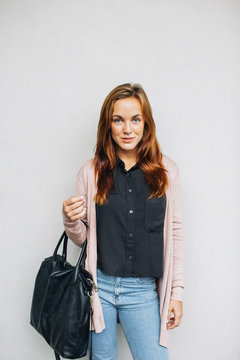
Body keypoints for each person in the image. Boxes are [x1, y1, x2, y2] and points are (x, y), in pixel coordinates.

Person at [62, 83, 184, 360]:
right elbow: (84, 239)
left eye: (135, 119)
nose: (127, 129)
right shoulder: (90, 173)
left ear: (146, 123)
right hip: (98, 289)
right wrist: (70, 221)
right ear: (108, 125)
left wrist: (176, 293)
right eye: (118, 120)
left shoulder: (167, 172)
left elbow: (174, 234)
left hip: (142, 292)